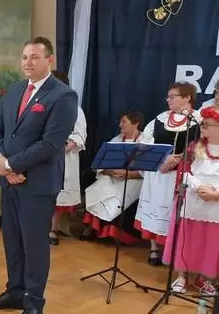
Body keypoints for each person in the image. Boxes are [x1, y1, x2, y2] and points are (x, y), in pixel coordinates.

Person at [0, 37, 78, 314]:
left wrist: (11, 165)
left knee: (34, 246)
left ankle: (34, 304)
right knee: (12, 241)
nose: (28, 63)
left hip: (37, 185)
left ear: (49, 60)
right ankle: (15, 292)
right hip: (10, 182)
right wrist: (3, 163)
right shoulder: (14, 90)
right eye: (24, 57)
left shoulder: (63, 96)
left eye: (34, 57)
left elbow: (51, 143)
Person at [133, 83, 201, 265]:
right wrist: (162, 158)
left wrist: (179, 159)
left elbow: (201, 146)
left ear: (187, 97)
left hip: (181, 175)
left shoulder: (198, 120)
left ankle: (175, 250)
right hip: (158, 174)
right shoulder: (160, 119)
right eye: (167, 97)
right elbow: (145, 144)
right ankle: (154, 249)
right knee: (155, 206)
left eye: (172, 96)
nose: (168, 100)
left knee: (175, 211)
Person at [163, 105, 219, 296]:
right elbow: (184, 172)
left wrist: (215, 194)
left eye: (207, 125)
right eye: (202, 124)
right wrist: (198, 187)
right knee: (187, 240)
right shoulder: (194, 147)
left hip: (216, 204)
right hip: (194, 200)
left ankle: (206, 278)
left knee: (212, 243)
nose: (202, 127)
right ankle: (182, 275)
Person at [81, 110, 147, 244]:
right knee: (97, 189)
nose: (120, 125)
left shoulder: (146, 141)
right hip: (113, 176)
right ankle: (93, 228)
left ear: (135, 124)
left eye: (124, 122)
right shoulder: (116, 140)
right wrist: (111, 172)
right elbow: (102, 164)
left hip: (134, 179)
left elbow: (147, 170)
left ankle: (114, 233)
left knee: (116, 196)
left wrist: (128, 174)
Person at [49, 70, 87, 245]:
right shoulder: (41, 105)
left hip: (63, 157)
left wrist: (61, 149)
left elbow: (79, 135)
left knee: (58, 198)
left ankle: (52, 229)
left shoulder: (75, 109)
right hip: (41, 157)